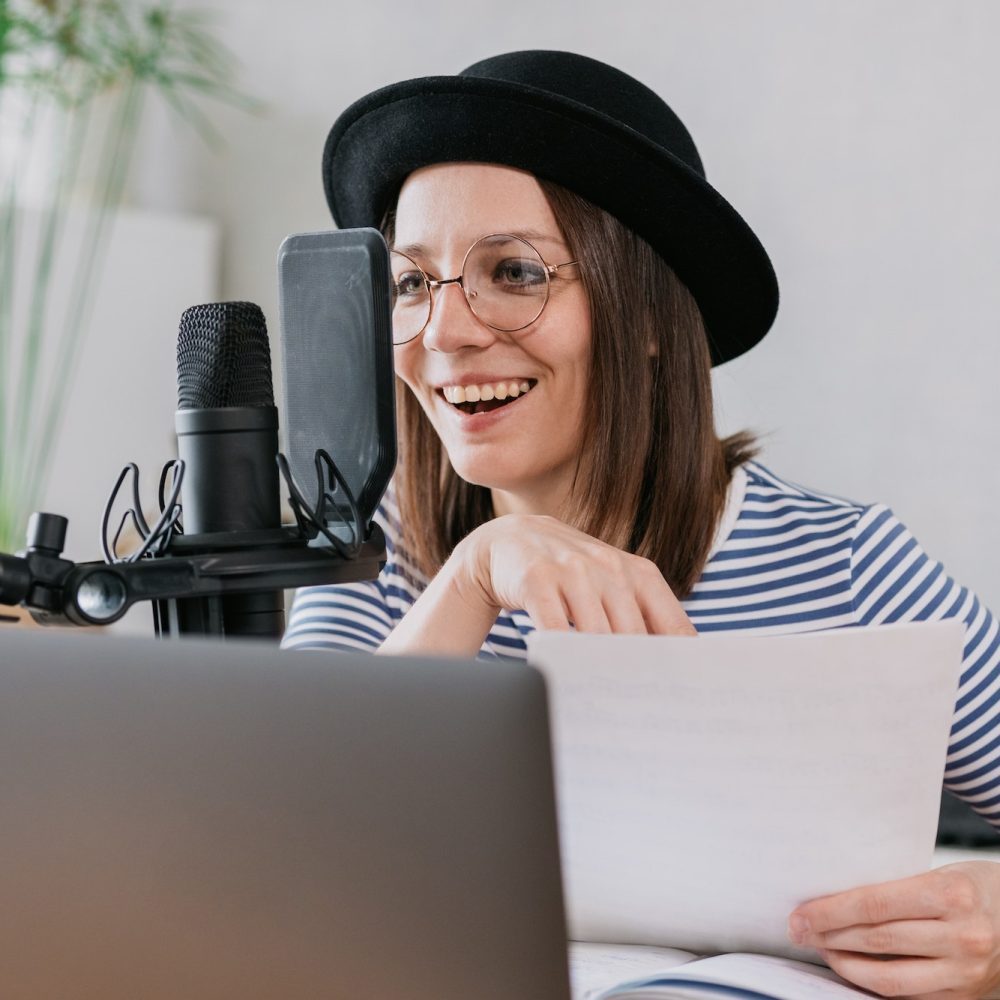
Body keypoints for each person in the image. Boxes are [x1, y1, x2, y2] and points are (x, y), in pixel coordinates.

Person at [283, 50, 1000, 998]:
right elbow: (283, 840)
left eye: (513, 271)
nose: (446, 334)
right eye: (412, 284)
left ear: (650, 316)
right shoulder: (383, 549)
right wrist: (472, 578)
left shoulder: (848, 566)